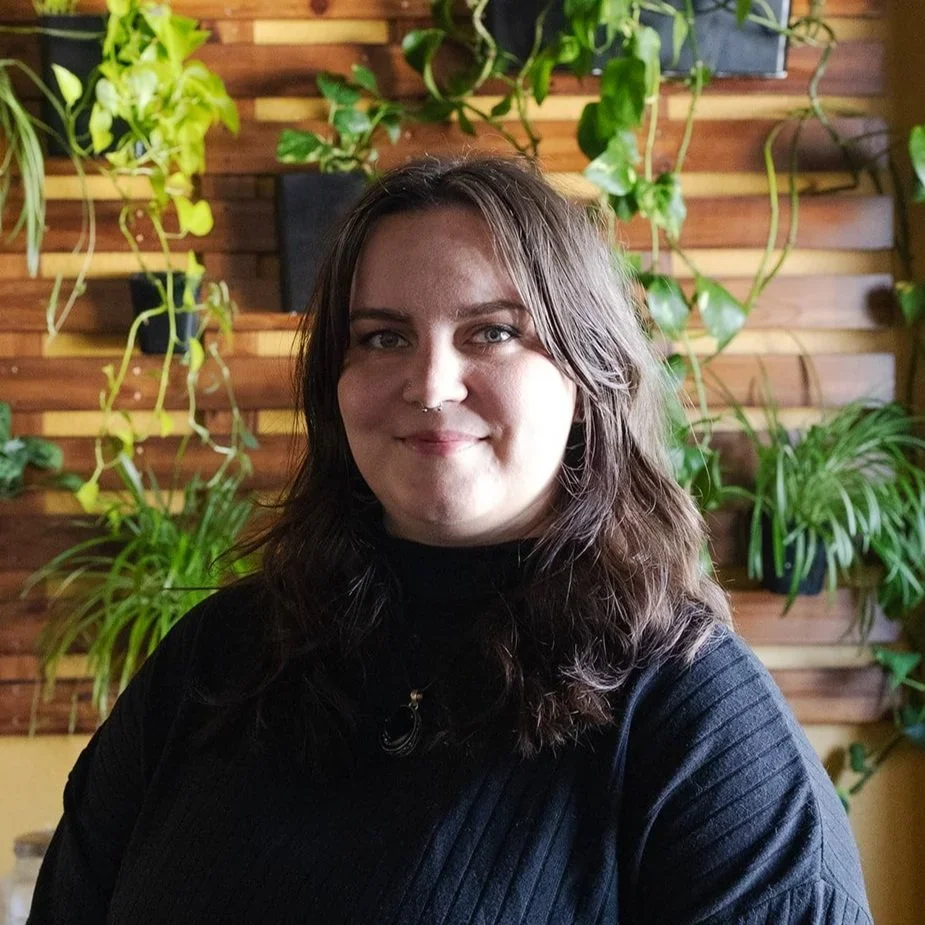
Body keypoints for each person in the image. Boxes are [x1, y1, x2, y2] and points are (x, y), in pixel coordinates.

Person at [28, 155, 872, 924]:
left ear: (586, 377)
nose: (429, 384)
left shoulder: (693, 724)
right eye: (383, 337)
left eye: (493, 331)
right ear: (337, 382)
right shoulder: (215, 660)